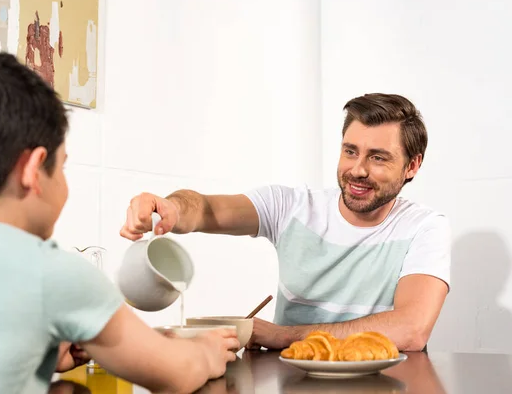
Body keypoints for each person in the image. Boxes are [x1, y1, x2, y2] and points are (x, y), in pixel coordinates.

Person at [0, 52, 239, 394]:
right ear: (33, 169)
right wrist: (204, 350)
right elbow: (177, 373)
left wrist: (38, 355)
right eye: (62, 167)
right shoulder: (49, 271)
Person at [120, 93, 451, 352]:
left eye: (378, 157)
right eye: (350, 151)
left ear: (412, 166)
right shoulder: (292, 206)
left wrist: (285, 336)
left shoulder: (424, 227)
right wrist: (172, 208)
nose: (358, 170)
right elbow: (205, 209)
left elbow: (412, 329)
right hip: (292, 378)